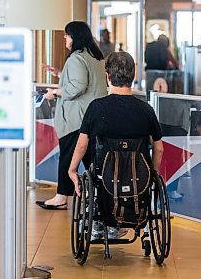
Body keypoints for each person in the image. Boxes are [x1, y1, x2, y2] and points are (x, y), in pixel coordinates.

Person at [68, 51, 164, 238]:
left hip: (105, 175)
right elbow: (159, 148)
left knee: (95, 171)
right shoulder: (146, 110)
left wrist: (72, 170)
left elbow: (81, 145)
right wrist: (152, 174)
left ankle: (98, 222)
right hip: (138, 177)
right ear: (133, 76)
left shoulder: (96, 107)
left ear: (107, 77)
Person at [36, 21, 107, 210]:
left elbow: (77, 86)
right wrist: (61, 74)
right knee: (91, 159)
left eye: (67, 35)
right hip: (92, 116)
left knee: (67, 156)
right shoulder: (94, 56)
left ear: (75, 37)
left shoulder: (76, 58)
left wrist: (55, 93)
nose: (65, 39)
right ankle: (100, 195)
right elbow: (85, 80)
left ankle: (61, 197)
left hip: (77, 117)